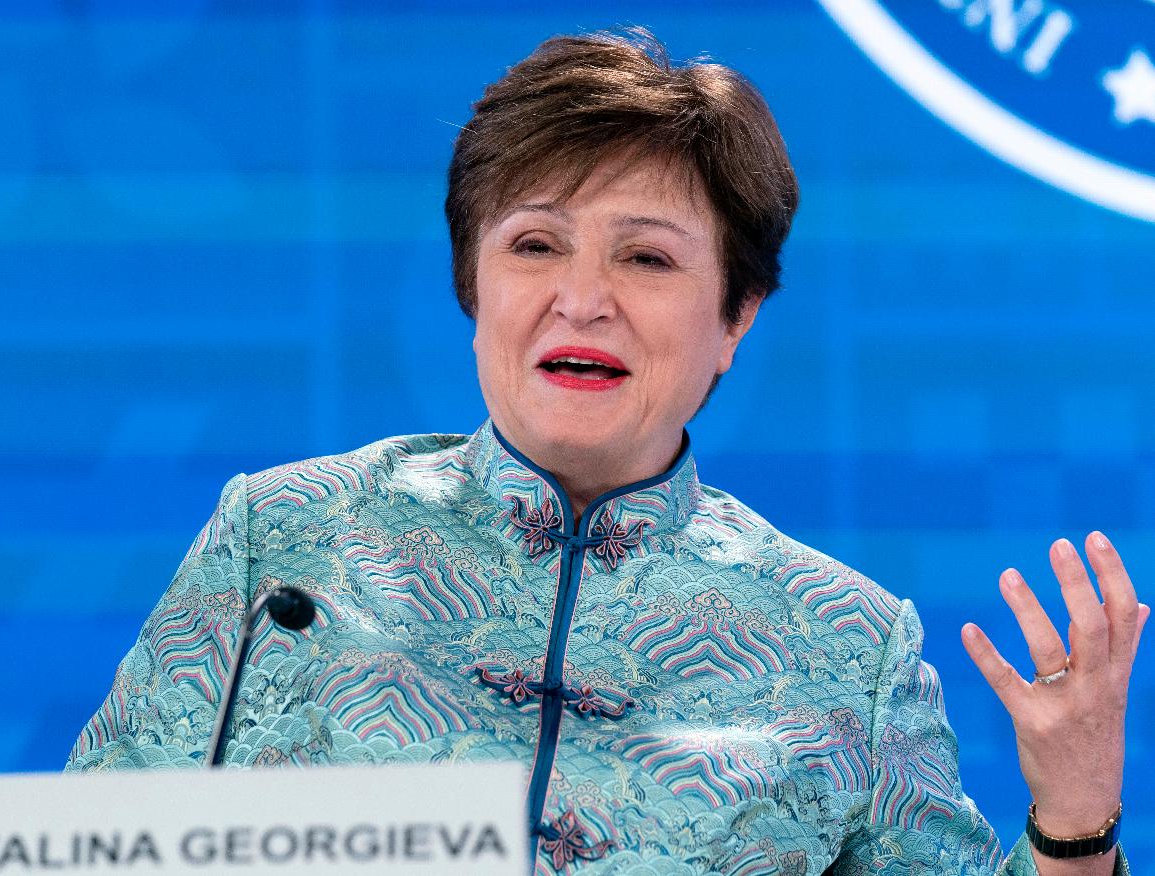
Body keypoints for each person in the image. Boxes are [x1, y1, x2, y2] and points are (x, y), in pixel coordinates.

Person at [66, 29, 1145, 875]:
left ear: (737, 316)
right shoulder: (282, 546)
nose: (583, 300)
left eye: (647, 257)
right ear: (472, 286)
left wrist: (1074, 817)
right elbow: (80, 854)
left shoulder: (849, 649)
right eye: (535, 245)